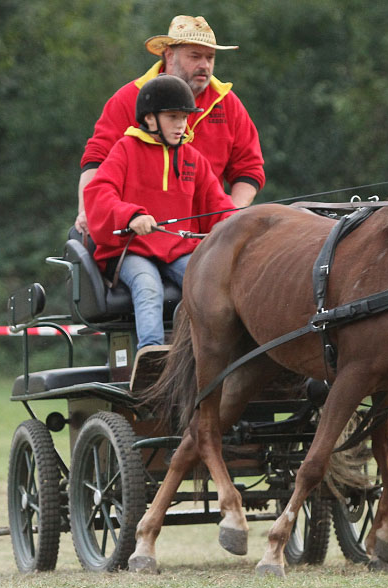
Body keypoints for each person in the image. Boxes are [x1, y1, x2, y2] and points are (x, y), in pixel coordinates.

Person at [84, 74, 235, 349]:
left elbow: (219, 204)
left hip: (177, 249)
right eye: (173, 117)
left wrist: (241, 222)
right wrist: (131, 216)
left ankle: (210, 352)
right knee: (147, 285)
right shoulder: (125, 150)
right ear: (150, 119)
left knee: (210, 280)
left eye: (185, 117)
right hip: (132, 249)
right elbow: (98, 194)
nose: (181, 125)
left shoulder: (192, 158)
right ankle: (150, 356)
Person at [76, 15, 264, 234]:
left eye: (210, 57)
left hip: (204, 237)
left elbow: (248, 169)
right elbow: (97, 161)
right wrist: (88, 212)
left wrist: (230, 220)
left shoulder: (229, 103)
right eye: (195, 56)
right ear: (169, 55)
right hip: (140, 235)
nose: (204, 65)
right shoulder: (129, 98)